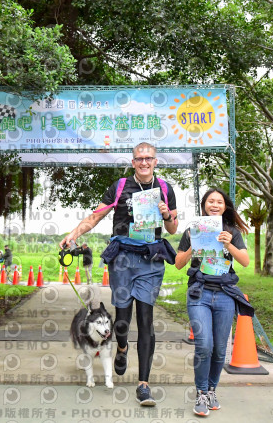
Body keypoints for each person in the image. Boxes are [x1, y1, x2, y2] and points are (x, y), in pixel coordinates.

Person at [60, 142, 178, 406]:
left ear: (155, 161)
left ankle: (144, 385)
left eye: (149, 158)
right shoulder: (120, 186)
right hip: (122, 260)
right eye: (139, 159)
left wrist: (166, 214)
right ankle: (122, 347)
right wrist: (73, 234)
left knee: (146, 320)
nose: (144, 162)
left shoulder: (165, 188)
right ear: (133, 162)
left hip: (150, 261)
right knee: (122, 320)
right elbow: (95, 216)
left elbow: (172, 228)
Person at [174, 188, 252, 417]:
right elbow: (178, 263)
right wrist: (193, 245)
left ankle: (211, 390)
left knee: (219, 349)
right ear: (204, 205)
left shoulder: (232, 232)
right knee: (204, 345)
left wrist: (229, 245)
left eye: (219, 201)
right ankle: (200, 393)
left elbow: (245, 261)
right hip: (199, 294)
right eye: (211, 201)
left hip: (225, 295)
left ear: (225, 206)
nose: (215, 205)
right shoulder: (191, 230)